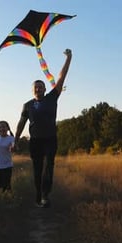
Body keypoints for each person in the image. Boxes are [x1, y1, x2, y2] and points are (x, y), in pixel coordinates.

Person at [14, 49, 72, 208]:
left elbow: (61, 77)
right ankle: (38, 195)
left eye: (41, 87)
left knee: (48, 166)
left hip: (50, 139)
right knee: (37, 169)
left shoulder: (52, 98)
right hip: (35, 141)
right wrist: (16, 141)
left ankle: (45, 195)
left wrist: (68, 58)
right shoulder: (28, 105)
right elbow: (21, 123)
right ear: (32, 90)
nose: (38, 89)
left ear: (45, 90)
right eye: (36, 87)